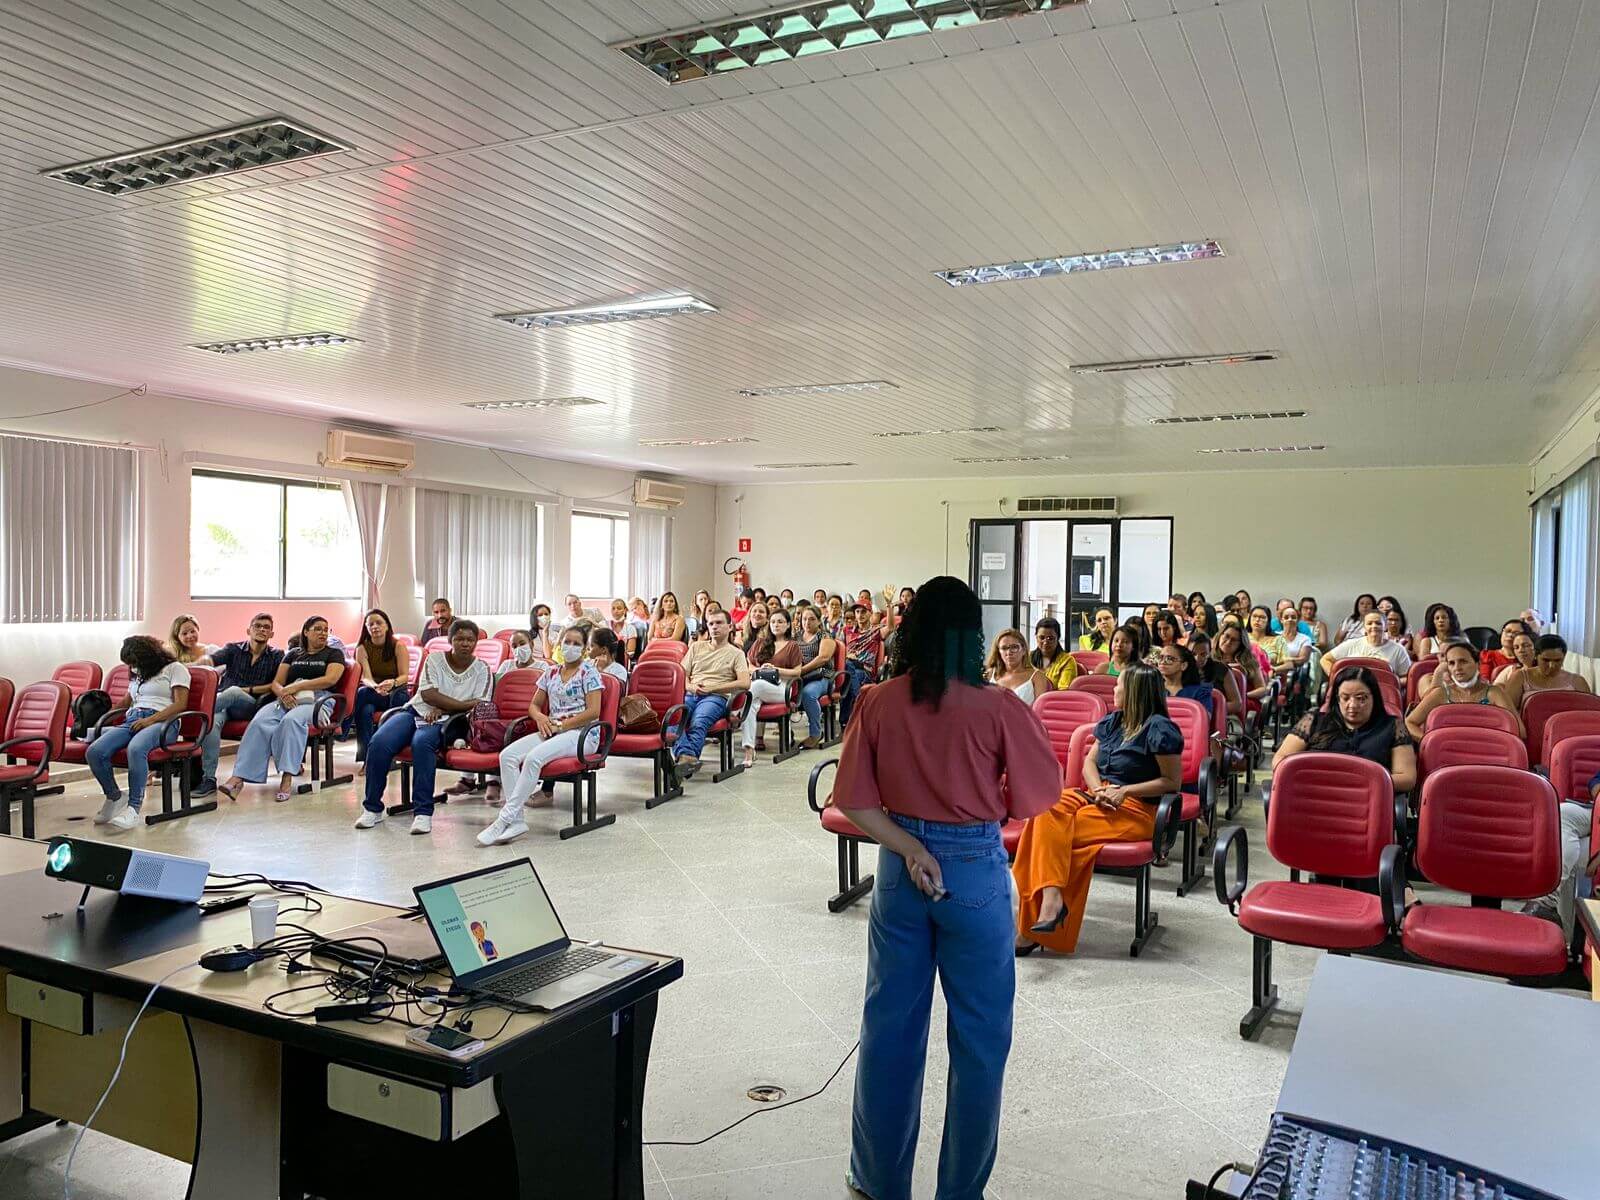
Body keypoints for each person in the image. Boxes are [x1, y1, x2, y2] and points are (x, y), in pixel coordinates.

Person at [830, 576, 1059, 1200]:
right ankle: (960, 1191)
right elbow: (1040, 797)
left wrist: (910, 846)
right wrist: (981, 812)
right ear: (972, 633)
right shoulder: (999, 706)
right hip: (975, 871)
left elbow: (850, 800)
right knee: (981, 1042)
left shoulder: (877, 700)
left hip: (903, 875)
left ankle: (877, 1182)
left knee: (889, 1030)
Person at [1013, 663, 1182, 956]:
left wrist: (1123, 791)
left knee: (1046, 838)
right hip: (1098, 795)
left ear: (1135, 691)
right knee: (1044, 813)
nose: (1114, 689)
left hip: (1135, 808)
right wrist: (1100, 790)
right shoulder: (1114, 721)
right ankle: (1051, 901)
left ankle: (1031, 927)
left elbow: (1171, 782)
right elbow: (1090, 762)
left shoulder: (1160, 728)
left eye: (1119, 685)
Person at [357, 619, 490, 836]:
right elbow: (428, 694)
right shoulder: (435, 659)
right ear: (450, 640)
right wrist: (446, 703)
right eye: (459, 639)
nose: (465, 643)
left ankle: (423, 812)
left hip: (449, 721)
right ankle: (372, 808)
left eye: (470, 639)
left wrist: (445, 707)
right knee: (380, 742)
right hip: (416, 711)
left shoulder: (481, 668)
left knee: (422, 743)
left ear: (476, 642)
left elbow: (482, 704)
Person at [477, 626, 604, 846]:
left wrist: (562, 726)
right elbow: (534, 706)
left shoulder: (589, 672)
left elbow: (594, 712)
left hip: (582, 734)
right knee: (507, 756)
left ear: (584, 650)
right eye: (567, 642)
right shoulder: (551, 672)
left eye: (576, 644)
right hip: (552, 730)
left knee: (534, 758)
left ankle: (504, 818)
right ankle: (517, 821)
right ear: (559, 644)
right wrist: (541, 719)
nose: (570, 647)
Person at [221, 616, 346, 804]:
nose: (323, 633)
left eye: (326, 629)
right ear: (306, 632)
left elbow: (330, 680)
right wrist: (283, 693)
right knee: (260, 720)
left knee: (291, 721)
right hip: (287, 697)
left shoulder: (334, 654)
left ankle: (286, 779)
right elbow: (277, 683)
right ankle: (238, 778)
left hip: (319, 700)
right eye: (318, 629)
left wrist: (296, 687)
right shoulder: (293, 654)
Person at [87, 636, 193, 832]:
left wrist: (150, 720)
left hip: (164, 723)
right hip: (134, 720)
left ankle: (134, 808)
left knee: (136, 748)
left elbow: (180, 704)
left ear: (149, 656)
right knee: (95, 750)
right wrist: (96, 721)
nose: (133, 667)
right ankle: (115, 797)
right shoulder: (139, 674)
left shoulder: (175, 669)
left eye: (135, 662)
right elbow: (126, 702)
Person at [1273, 667, 1416, 793]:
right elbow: (1280, 760)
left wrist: (1357, 782)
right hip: (1314, 794)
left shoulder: (1392, 726)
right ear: (1337, 698)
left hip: (1367, 799)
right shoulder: (1315, 720)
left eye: (1361, 698)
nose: (1352, 705)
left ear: (1375, 698)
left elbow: (1407, 777)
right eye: (1345, 698)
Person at [197, 613, 283, 797]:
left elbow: (275, 684)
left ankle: (195, 715)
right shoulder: (233, 649)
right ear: (248, 630)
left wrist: (247, 690)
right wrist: (205, 661)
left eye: (266, 627)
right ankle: (209, 779)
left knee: (233, 692)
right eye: (258, 626)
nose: (262, 629)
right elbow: (212, 660)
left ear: (271, 634)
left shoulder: (277, 655)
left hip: (251, 704)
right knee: (210, 725)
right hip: (223, 705)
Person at [673, 610, 751, 778]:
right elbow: (681, 674)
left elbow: (745, 682)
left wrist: (714, 688)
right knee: (672, 719)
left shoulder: (736, 653)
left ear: (730, 627)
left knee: (698, 722)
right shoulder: (696, 647)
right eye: (711, 623)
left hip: (716, 698)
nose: (714, 627)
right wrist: (691, 686)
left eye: (719, 623)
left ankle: (684, 759)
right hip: (691, 694)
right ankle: (688, 757)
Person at [1405, 642, 1520, 740]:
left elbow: (1520, 730)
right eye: (1451, 663)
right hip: (1446, 755)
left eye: (1463, 661)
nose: (1457, 668)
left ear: (1477, 664)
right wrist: (1430, 741)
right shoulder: (1440, 694)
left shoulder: (1494, 693)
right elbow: (1409, 723)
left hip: (1487, 754)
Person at [741, 607, 802, 767]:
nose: (776, 625)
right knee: (751, 705)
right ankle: (749, 750)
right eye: (773, 621)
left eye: (780, 622)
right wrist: (761, 670)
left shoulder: (792, 645)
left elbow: (797, 672)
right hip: (759, 686)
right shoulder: (761, 642)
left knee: (752, 692)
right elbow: (749, 666)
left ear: (788, 625)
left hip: (783, 687)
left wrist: (775, 670)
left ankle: (736, 707)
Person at [352, 608, 411, 764]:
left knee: (363, 699)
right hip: (374, 692)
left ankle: (344, 727)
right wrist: (376, 687)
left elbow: (404, 676)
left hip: (395, 692)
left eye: (379, 623)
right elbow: (366, 678)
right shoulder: (362, 648)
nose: (375, 627)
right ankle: (369, 760)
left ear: (387, 626)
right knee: (365, 709)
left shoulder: (398, 646)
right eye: (371, 624)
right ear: (366, 627)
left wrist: (392, 683)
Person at [1502, 634, 1593, 709]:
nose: (1551, 666)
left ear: (1564, 657)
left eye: (1557, 660)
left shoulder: (1577, 681)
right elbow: (1509, 712)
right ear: (1535, 656)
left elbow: (1588, 713)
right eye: (1546, 660)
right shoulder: (1521, 677)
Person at [796, 605, 842, 743]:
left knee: (807, 694)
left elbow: (823, 658)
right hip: (799, 677)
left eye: (811, 619)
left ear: (818, 621)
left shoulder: (825, 636)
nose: (807, 622)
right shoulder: (796, 636)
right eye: (804, 619)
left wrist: (801, 671)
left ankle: (815, 734)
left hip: (822, 677)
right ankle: (788, 736)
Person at [1321, 610, 1412, 678]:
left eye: (1378, 623)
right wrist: (1337, 678)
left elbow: (1407, 678)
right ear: (1364, 627)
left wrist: (1391, 681)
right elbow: (1325, 660)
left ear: (1385, 627)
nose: (1374, 626)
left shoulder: (1398, 649)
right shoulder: (1351, 644)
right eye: (1369, 623)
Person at [985, 628, 1053, 705]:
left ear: (1023, 650)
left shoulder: (1037, 677)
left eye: (1014, 647)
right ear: (998, 652)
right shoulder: (990, 674)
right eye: (1004, 648)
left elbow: (1040, 711)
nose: (1009, 652)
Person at [1191, 631, 1244, 722]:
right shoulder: (1180, 670)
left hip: (1221, 718)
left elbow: (1237, 704)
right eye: (1193, 654)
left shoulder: (1221, 669)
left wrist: (1208, 709)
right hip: (1190, 719)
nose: (1197, 659)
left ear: (1209, 652)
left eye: (1203, 654)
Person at [1215, 623, 1268, 703]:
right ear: (1220, 636)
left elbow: (1262, 689)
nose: (1228, 642)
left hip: (1244, 703)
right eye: (1226, 636)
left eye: (1234, 640)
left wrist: (1243, 695)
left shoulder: (1248, 661)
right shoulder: (1209, 657)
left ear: (1240, 644)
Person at [1155, 643, 1213, 714]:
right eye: (1160, 658)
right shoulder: (1153, 689)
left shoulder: (1200, 692)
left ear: (1183, 665)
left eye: (1169, 659)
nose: (1162, 662)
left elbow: (1204, 719)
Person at [1030, 616, 1078, 690]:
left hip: (1052, 700)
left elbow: (1063, 692)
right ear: (1036, 637)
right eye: (1041, 638)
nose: (1045, 642)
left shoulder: (1067, 661)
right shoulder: (1027, 658)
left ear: (1058, 638)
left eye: (1050, 638)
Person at [1247, 606, 1292, 677]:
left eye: (1262, 617)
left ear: (1268, 621)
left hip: (1269, 677)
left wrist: (1274, 669)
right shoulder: (1243, 637)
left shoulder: (1278, 640)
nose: (1257, 620)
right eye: (1254, 616)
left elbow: (1289, 665)